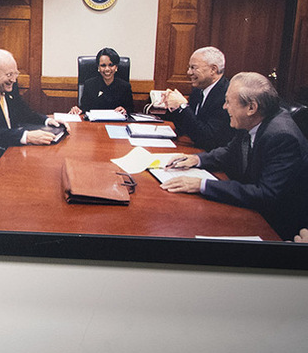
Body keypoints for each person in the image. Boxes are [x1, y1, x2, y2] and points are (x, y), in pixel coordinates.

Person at [161, 72, 308, 240]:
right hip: (254, 211)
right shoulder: (254, 121)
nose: (224, 107)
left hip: (276, 226)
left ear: (251, 108)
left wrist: (201, 185)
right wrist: (198, 159)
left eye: (229, 102)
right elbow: (231, 151)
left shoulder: (281, 136)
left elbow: (265, 194)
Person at [0, 48, 65, 148]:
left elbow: (23, 111)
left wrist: (47, 120)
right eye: (9, 75)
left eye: (15, 74)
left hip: (9, 144)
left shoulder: (7, 85)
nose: (13, 79)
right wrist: (26, 136)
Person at [161, 46, 235, 150]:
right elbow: (186, 127)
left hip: (212, 156)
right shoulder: (198, 90)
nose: (189, 72)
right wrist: (174, 106)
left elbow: (207, 138)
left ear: (213, 69)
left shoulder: (226, 95)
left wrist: (183, 106)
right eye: (189, 67)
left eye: (193, 68)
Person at [69, 47, 134, 116]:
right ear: (98, 68)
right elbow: (84, 109)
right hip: (94, 125)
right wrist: (77, 110)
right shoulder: (89, 85)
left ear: (116, 67)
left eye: (111, 65)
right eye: (103, 65)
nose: (107, 69)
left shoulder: (125, 86)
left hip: (117, 124)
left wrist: (124, 110)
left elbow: (130, 110)